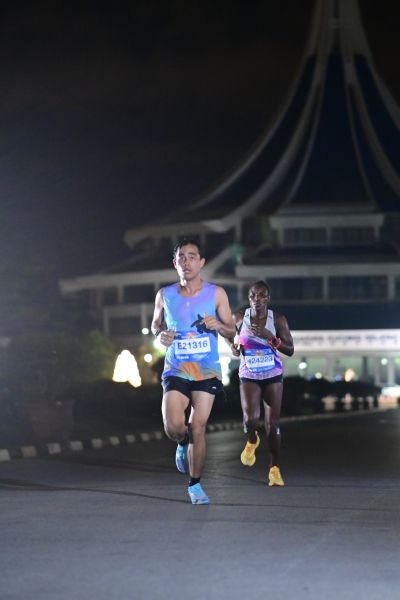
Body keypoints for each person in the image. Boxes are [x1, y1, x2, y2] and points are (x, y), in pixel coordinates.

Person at [151, 238, 235, 505]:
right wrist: (160, 335)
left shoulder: (216, 293)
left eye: (192, 256)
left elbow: (232, 330)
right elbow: (155, 325)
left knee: (197, 426)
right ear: (175, 263)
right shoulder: (165, 295)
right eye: (181, 257)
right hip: (176, 369)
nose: (186, 262)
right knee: (174, 426)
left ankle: (195, 485)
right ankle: (181, 441)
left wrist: (218, 325)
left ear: (201, 262)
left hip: (206, 371)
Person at [229, 280, 294, 486]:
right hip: (249, 373)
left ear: (268, 298)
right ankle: (252, 439)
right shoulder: (239, 317)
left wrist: (270, 337)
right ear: (249, 298)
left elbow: (290, 350)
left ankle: (274, 469)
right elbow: (231, 338)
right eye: (252, 295)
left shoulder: (278, 319)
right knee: (250, 420)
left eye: (261, 295)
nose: (256, 299)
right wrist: (234, 348)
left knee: (272, 425)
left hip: (272, 374)